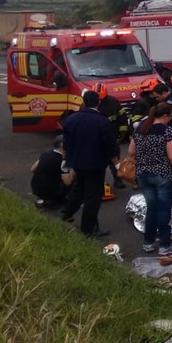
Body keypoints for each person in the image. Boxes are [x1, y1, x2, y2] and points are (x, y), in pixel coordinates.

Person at [129, 101, 172, 255]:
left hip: (143, 175)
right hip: (162, 175)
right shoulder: (166, 131)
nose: (171, 119)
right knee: (164, 210)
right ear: (165, 116)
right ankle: (165, 245)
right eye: (170, 116)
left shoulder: (140, 127)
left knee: (151, 208)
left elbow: (131, 151)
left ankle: (148, 242)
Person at [61, 90, 120, 237]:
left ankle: (67, 213)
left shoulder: (71, 119)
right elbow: (110, 146)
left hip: (77, 162)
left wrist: (67, 161)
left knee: (79, 188)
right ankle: (89, 229)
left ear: (83, 101)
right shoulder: (102, 121)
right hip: (95, 164)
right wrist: (117, 165)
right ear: (98, 102)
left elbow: (66, 143)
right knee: (93, 196)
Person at [92, 82, 128, 188]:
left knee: (115, 160)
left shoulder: (113, 102)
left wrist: (122, 132)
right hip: (97, 139)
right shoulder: (89, 103)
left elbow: (122, 116)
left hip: (112, 137)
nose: (100, 101)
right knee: (99, 163)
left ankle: (118, 180)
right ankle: (99, 183)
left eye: (102, 98)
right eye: (98, 99)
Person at [30, 134, 74, 208]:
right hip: (52, 192)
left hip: (35, 188)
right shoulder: (63, 160)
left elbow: (33, 169)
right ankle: (58, 200)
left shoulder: (45, 154)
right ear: (62, 145)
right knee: (74, 178)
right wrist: (72, 170)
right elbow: (68, 182)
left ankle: (44, 198)